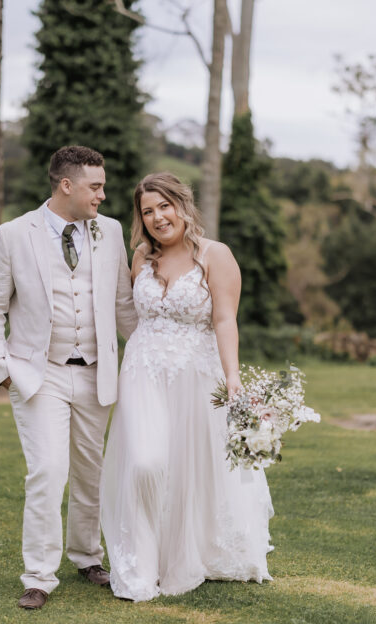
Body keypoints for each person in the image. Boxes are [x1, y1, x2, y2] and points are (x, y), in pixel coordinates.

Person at [0, 146, 139, 610]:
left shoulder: (109, 231)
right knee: (47, 471)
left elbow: (123, 305)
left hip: (96, 373)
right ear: (66, 185)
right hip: (37, 374)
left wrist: (156, 354)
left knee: (92, 472)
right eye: (96, 186)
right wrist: (2, 370)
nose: (103, 195)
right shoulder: (13, 235)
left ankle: (88, 557)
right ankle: (39, 576)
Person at [100, 172, 274, 602]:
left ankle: (185, 555)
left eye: (164, 206)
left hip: (196, 374)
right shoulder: (140, 256)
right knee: (145, 462)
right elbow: (128, 315)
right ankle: (141, 564)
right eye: (148, 211)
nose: (158, 217)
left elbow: (224, 319)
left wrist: (232, 376)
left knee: (190, 467)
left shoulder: (216, 255)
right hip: (142, 373)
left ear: (182, 205)